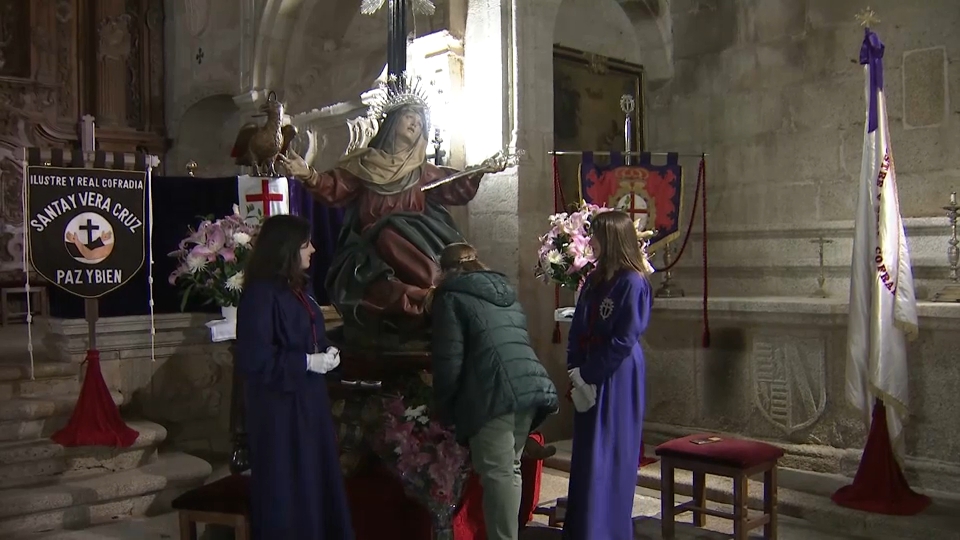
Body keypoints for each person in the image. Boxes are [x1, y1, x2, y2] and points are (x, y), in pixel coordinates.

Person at [277, 102, 507, 344]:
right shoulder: (365, 163)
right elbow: (336, 187)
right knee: (389, 232)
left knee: (447, 251)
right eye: (409, 117)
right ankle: (429, 297)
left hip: (420, 235)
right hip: (374, 242)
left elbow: (454, 187)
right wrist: (307, 174)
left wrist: (478, 171)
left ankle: (444, 292)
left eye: (420, 122)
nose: (415, 124)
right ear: (392, 122)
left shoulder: (421, 171)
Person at [430, 242, 560, 540]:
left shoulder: (450, 295)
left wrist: (445, 408)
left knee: (499, 473)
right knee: (508, 469)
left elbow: (449, 358)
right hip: (527, 383)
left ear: (445, 269)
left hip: (493, 392)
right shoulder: (503, 291)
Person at [235, 214, 354, 540]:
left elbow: (313, 335)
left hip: (310, 402)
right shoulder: (261, 295)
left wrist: (329, 354)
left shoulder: (300, 289)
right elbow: (254, 359)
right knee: (288, 486)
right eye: (305, 244)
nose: (313, 249)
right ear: (287, 249)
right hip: (279, 410)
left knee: (316, 480)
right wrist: (305, 362)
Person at [562, 210, 653, 540]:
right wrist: (574, 368)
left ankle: (606, 531)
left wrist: (589, 373)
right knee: (587, 454)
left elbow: (625, 337)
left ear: (612, 239)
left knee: (609, 453)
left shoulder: (633, 282)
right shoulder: (595, 278)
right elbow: (577, 327)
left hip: (617, 373)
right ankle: (582, 529)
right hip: (588, 368)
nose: (591, 241)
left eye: (596, 235)